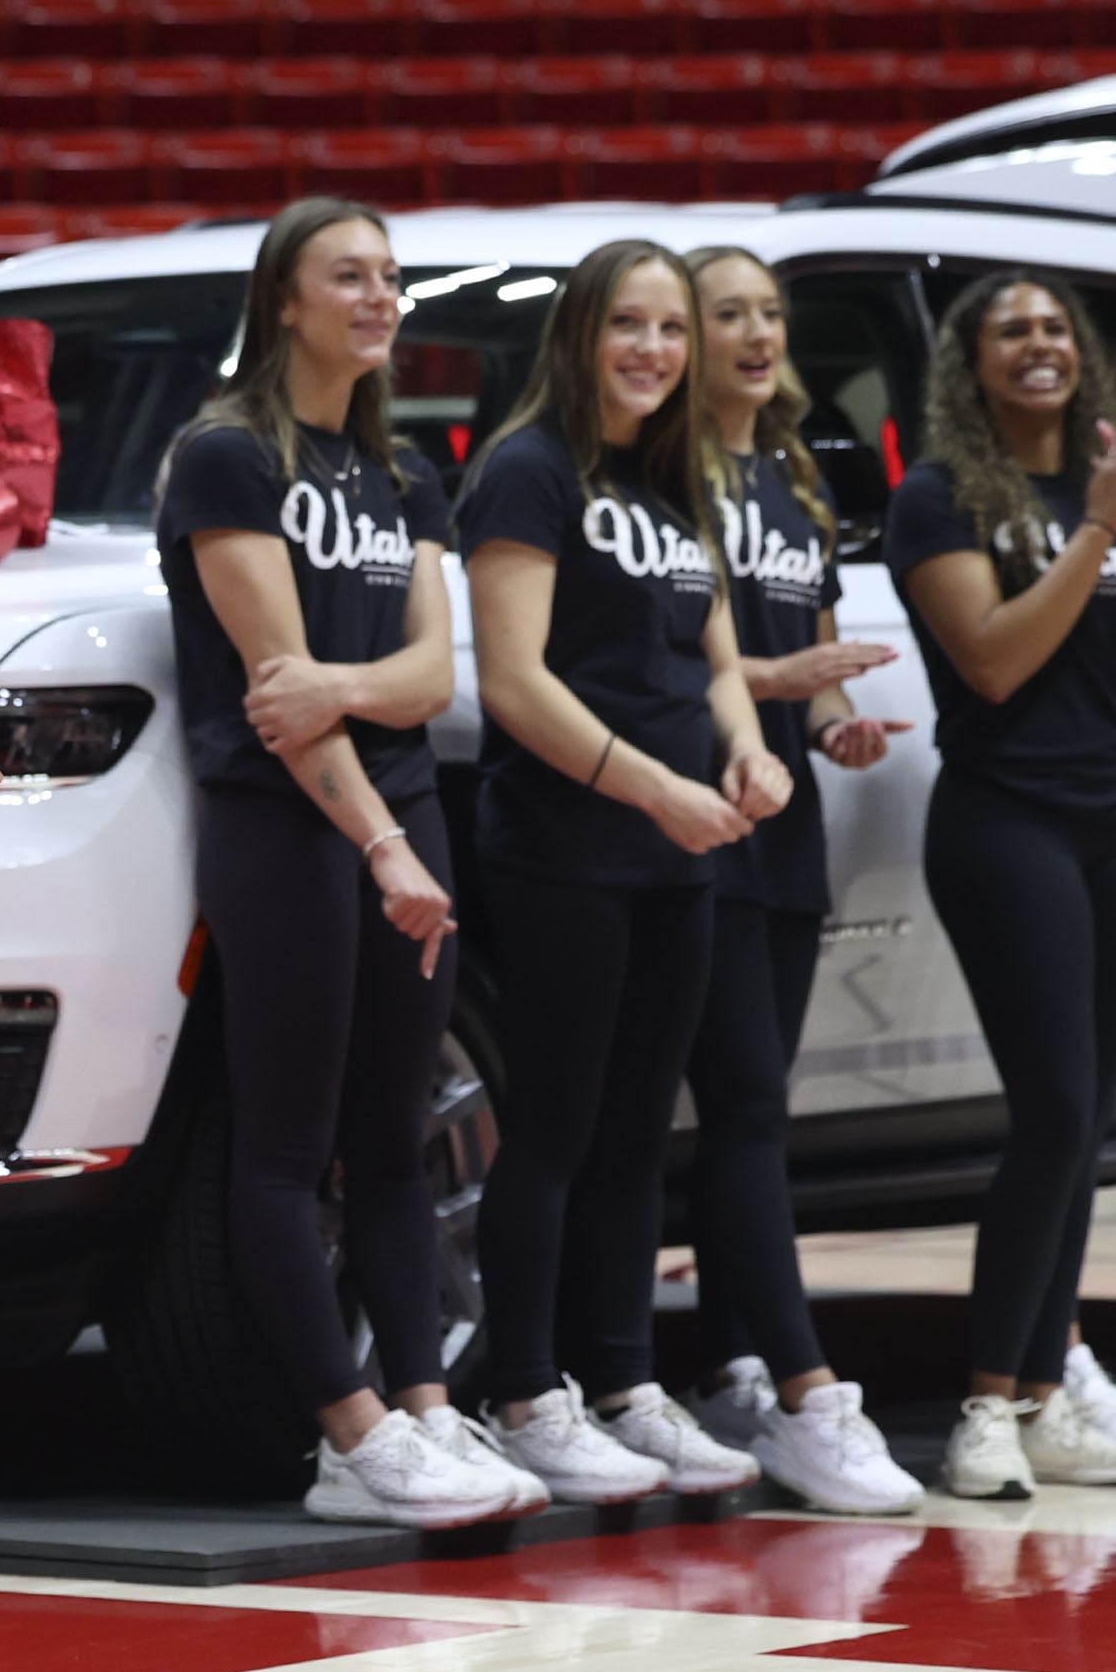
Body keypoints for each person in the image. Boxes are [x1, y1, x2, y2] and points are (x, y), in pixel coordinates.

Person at [154, 196, 545, 1528]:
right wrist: (377, 837)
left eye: (391, 278)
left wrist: (350, 691)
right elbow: (276, 702)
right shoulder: (223, 456)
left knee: (393, 1137)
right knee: (285, 1142)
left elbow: (434, 679)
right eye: (350, 277)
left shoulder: (401, 472)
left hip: (399, 814)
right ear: (285, 301)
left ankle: (428, 1410)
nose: (381, 298)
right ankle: (348, 1438)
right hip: (287, 827)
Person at [459, 238, 792, 1503]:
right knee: (553, 1126)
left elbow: (714, 662)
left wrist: (751, 752)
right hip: (566, 846)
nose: (654, 350)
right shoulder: (526, 472)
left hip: (679, 851)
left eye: (671, 329)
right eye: (630, 326)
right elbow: (515, 679)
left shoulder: (676, 484)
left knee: (640, 1134)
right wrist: (657, 787)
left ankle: (623, 1384)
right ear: (581, 335)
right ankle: (528, 1394)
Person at [882, 269, 1116, 1499]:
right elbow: (997, 663)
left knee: (1090, 1120)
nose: (1038, 345)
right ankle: (983, 1405)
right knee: (1056, 1111)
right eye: (1010, 330)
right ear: (970, 363)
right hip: (1007, 822)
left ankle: (1040, 1395)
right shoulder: (937, 499)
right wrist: (1096, 529)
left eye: (1055, 330)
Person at [670, 245, 923, 1517]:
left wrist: (836, 726)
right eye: (731, 314)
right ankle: (809, 1392)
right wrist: (777, 690)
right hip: (692, 815)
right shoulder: (671, 479)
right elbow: (689, 665)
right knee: (741, 1115)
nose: (758, 335)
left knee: (754, 1105)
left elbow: (802, 669)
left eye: (771, 313)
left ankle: (730, 1367)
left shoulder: (794, 477)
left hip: (786, 823)